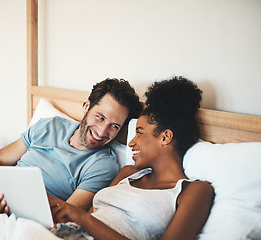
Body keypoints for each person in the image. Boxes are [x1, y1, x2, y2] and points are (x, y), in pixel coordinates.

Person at [0, 78, 142, 214]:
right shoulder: (50, 125)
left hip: (13, 214)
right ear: (87, 107)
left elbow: (65, 216)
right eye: (100, 117)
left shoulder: (103, 166)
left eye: (114, 126)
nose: (102, 131)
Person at [48, 76, 215, 240]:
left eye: (139, 133)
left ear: (165, 137)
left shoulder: (194, 191)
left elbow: (87, 220)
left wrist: (83, 218)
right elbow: (87, 220)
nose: (132, 143)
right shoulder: (128, 173)